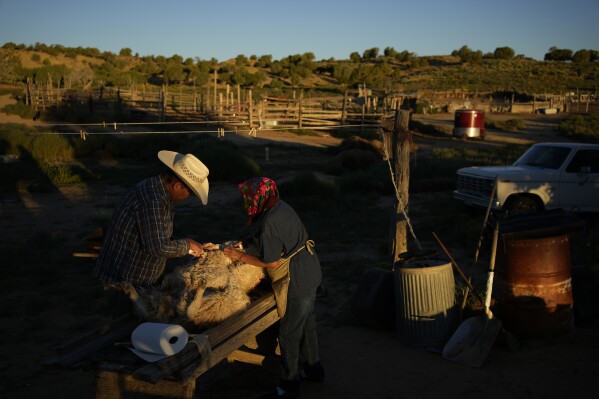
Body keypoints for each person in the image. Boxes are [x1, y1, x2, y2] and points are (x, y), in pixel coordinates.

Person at [222, 177, 324, 399]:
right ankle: (314, 369)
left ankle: (288, 385)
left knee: (288, 334)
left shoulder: (270, 221)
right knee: (307, 324)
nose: (246, 204)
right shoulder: (281, 206)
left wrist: (240, 255)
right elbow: (276, 237)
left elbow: (271, 262)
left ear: (256, 199)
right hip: (311, 268)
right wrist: (250, 240)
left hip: (297, 278)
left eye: (247, 200)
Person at [92, 150, 209, 295]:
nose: (188, 197)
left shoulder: (155, 187)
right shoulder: (154, 201)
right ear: (177, 186)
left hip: (127, 272)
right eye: (190, 193)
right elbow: (157, 247)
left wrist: (184, 243)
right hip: (127, 281)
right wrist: (187, 245)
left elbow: (155, 233)